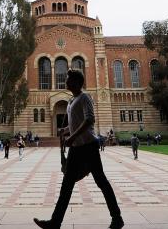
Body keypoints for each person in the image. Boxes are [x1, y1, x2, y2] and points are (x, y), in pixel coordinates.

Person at [34, 70, 123, 229]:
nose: (65, 82)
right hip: (76, 148)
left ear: (76, 82)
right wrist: (66, 131)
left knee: (101, 181)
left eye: (68, 80)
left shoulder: (85, 97)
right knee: (66, 185)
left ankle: (117, 218)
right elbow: (76, 122)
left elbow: (90, 119)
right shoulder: (72, 100)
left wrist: (73, 136)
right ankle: (55, 222)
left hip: (88, 146)